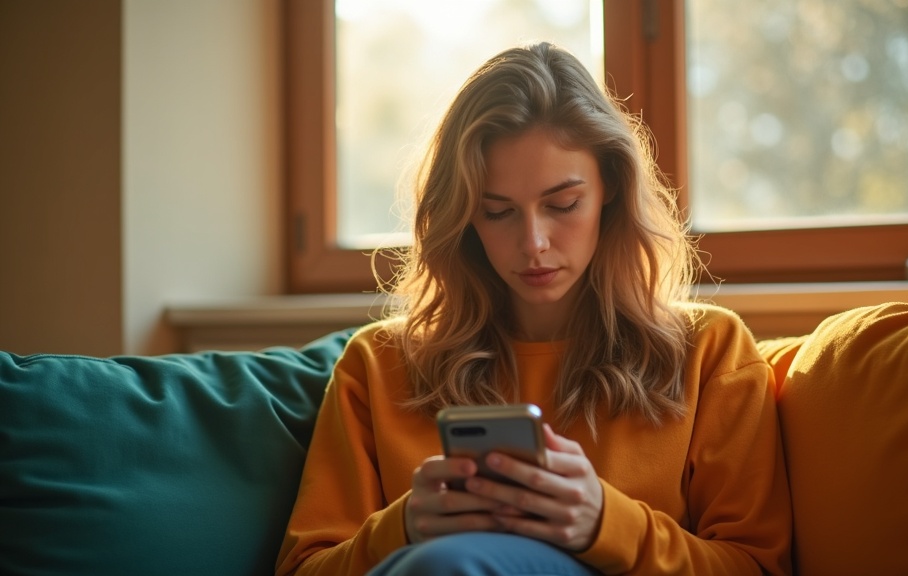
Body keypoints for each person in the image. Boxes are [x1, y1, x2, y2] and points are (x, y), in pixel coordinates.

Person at [275, 41, 792, 576]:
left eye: (563, 204)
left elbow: (756, 566)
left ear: (612, 189)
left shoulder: (708, 351)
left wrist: (606, 525)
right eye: (497, 212)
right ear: (463, 217)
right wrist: (401, 528)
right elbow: (304, 569)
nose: (533, 243)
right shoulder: (378, 364)